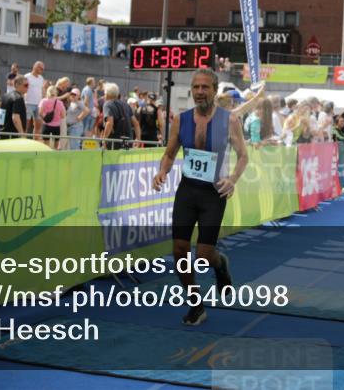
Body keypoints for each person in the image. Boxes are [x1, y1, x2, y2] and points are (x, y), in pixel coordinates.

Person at [151, 68, 248, 326]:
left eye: (205, 87)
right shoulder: (181, 120)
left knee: (204, 255)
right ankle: (196, 304)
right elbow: (170, 153)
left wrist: (232, 179)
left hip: (213, 193)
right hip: (187, 190)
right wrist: (162, 171)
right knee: (179, 250)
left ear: (215, 90)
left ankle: (220, 264)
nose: (200, 92)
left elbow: (243, 156)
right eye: (196, 87)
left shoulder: (229, 120)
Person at [101, 82, 141, 149]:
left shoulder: (107, 104)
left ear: (108, 94)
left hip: (114, 142)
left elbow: (109, 123)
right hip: (128, 141)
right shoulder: (126, 105)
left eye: (104, 93)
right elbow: (136, 123)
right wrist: (138, 139)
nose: (104, 96)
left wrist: (104, 140)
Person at [24, 61, 46, 141]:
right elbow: (23, 89)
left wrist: (44, 102)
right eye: (41, 68)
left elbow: (42, 90)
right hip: (28, 103)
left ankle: (35, 142)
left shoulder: (41, 78)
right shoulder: (27, 77)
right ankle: (23, 141)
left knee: (38, 125)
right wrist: (24, 102)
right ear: (35, 67)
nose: (42, 70)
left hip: (38, 105)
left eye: (43, 69)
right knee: (26, 124)